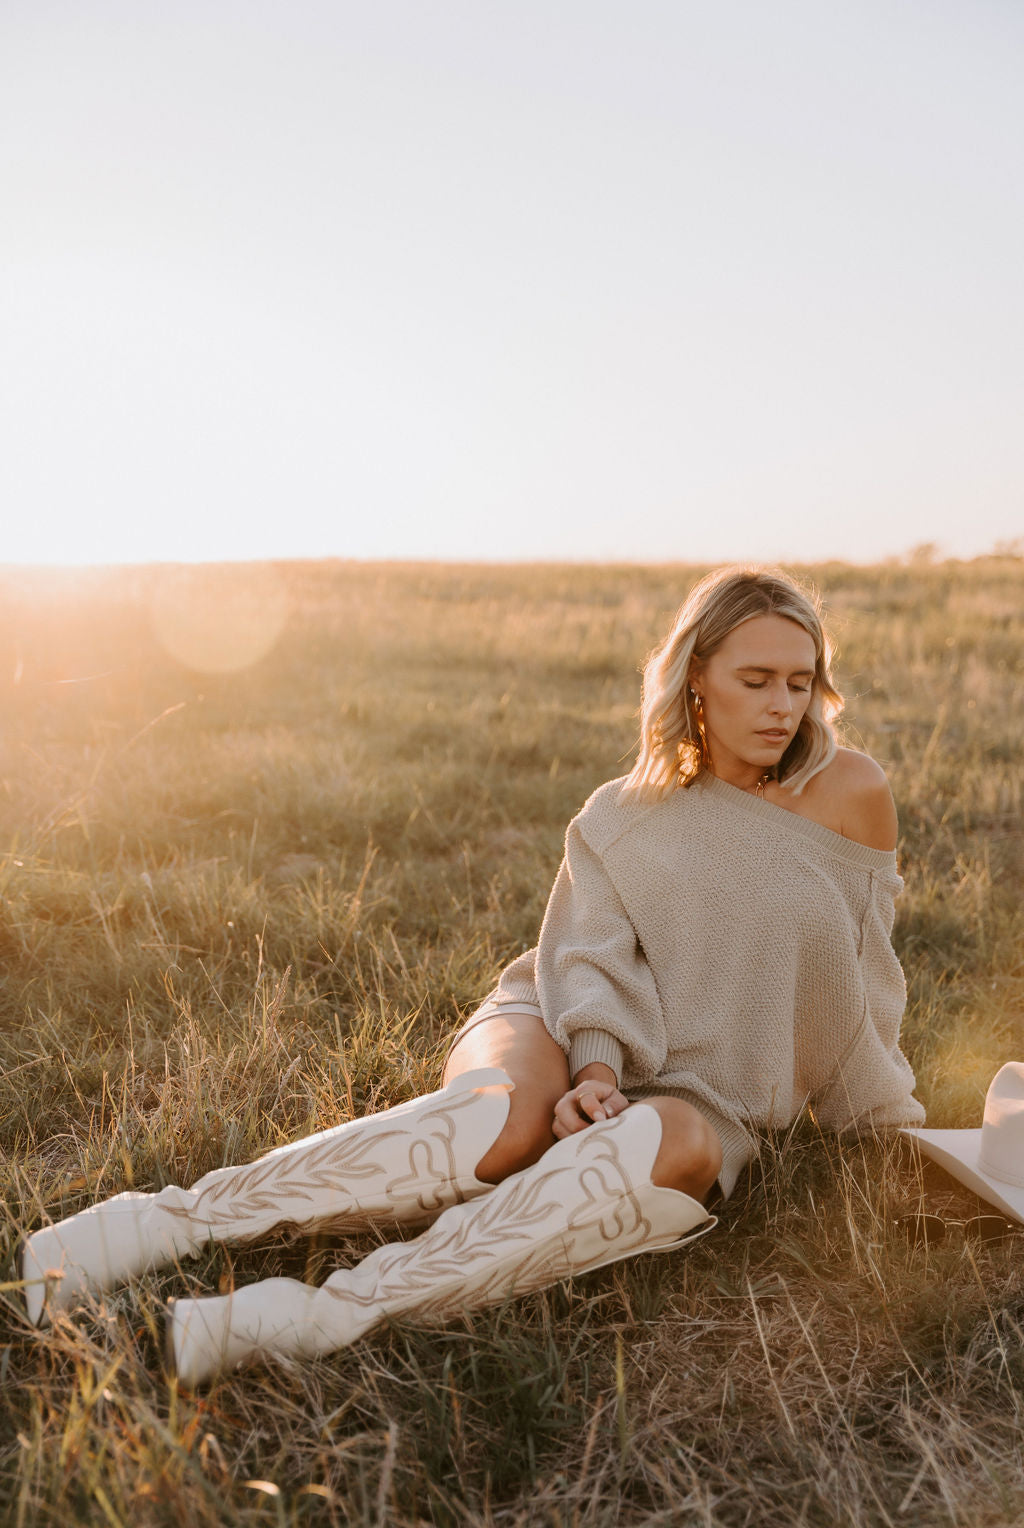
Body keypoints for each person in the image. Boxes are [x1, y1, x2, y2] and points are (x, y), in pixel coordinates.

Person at [19, 565, 924, 1386]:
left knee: (671, 1153)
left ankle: (313, 1317)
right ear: (697, 677)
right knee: (498, 1128)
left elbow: (860, 974)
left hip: (711, 1092)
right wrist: (596, 1073)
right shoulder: (624, 814)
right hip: (561, 1014)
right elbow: (585, 958)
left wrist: (881, 1123)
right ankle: (160, 1223)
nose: (781, 706)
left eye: (800, 682)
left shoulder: (852, 793)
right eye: (754, 679)